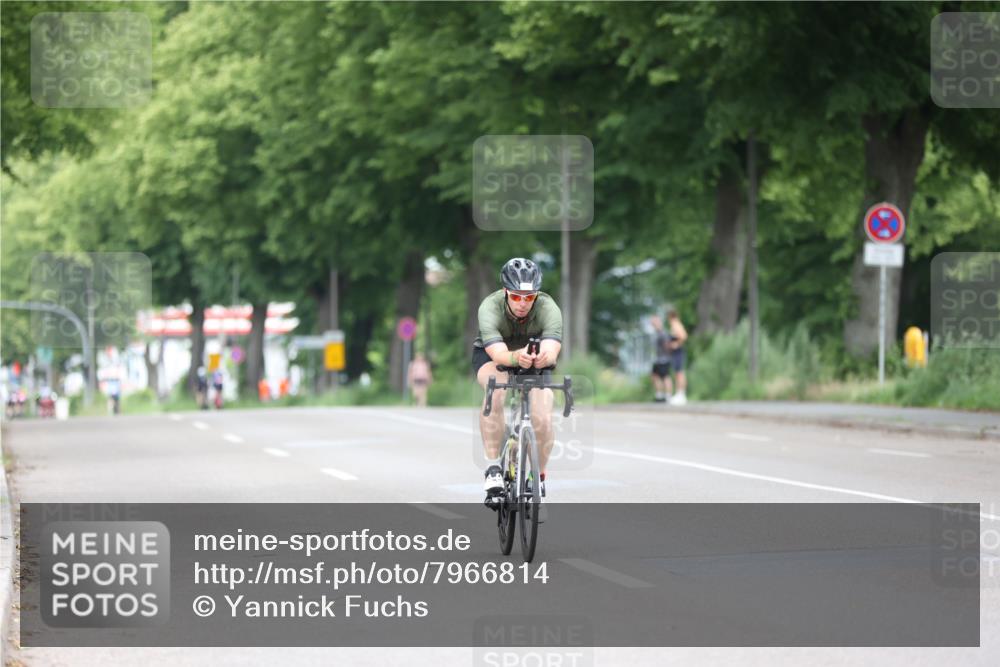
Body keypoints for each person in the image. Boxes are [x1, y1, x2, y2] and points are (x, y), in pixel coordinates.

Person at [472, 257, 562, 514]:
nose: (523, 303)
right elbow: (499, 354)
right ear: (505, 292)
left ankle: (538, 479)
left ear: (537, 295)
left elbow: (552, 349)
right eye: (516, 297)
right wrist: (515, 357)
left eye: (529, 297)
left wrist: (544, 357)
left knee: (543, 414)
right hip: (494, 356)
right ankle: (493, 469)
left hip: (533, 357)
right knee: (495, 390)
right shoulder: (490, 307)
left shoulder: (548, 307)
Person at [664, 309, 688, 405]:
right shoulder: (675, 324)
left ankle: (681, 394)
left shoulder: (676, 324)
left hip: (678, 352)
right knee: (677, 373)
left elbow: (684, 336)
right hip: (675, 353)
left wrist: (676, 344)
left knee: (679, 372)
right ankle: (679, 393)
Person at [649, 315, 672, 403]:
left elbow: (667, 345)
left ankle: (668, 396)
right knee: (654, 376)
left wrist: (668, 355)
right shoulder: (656, 333)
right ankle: (659, 395)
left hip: (664, 359)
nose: (652, 324)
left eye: (654, 322)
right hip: (657, 359)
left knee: (665, 376)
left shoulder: (663, 333)